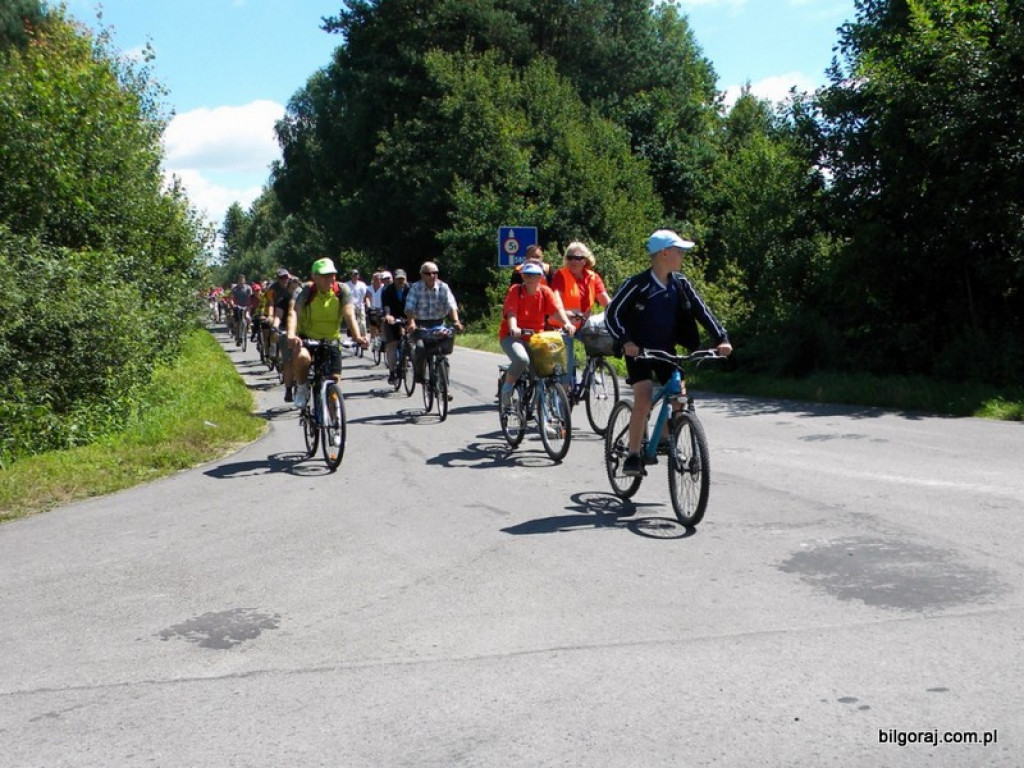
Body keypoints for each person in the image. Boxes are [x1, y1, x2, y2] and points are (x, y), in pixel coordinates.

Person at [605, 229, 733, 477]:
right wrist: (626, 341)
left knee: (679, 397)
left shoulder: (680, 283)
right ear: (664, 253)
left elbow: (702, 312)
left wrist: (722, 338)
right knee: (643, 398)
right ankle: (633, 455)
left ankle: (664, 439)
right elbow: (612, 314)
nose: (682, 254)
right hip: (639, 351)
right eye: (679, 250)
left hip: (666, 351)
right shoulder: (638, 284)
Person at [287, 258, 368, 410]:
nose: (329, 279)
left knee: (334, 381)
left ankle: (332, 419)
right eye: (324, 276)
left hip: (331, 340)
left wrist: (357, 336)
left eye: (332, 275)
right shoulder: (305, 290)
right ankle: (302, 388)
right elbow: (293, 312)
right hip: (307, 338)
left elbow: (349, 314)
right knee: (302, 357)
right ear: (314, 277)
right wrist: (291, 334)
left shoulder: (342, 290)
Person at [498, 262, 576, 406]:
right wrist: (514, 327)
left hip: (535, 337)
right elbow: (511, 312)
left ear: (540, 277)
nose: (530, 278)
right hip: (512, 336)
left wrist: (566, 323)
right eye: (527, 275)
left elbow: (556, 310)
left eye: (534, 275)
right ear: (522, 276)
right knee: (522, 359)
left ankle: (540, 411)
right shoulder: (516, 290)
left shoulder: (545, 292)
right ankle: (506, 389)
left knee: (545, 370)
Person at [405, 261, 463, 386]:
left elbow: (451, 305)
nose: (432, 275)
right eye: (428, 273)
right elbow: (409, 307)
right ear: (422, 275)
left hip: (438, 323)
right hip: (420, 324)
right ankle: (419, 374)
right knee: (420, 348)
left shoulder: (443, 287)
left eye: (435, 273)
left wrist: (456, 321)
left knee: (443, 354)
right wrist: (411, 322)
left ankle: (444, 387)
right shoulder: (416, 288)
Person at [380, 269, 411, 383]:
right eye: (398, 279)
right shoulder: (388, 289)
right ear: (394, 279)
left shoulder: (411, 288)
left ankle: (409, 358)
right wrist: (388, 315)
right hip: (392, 318)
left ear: (406, 279)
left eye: (402, 279)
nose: (400, 281)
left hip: (408, 317)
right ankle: (392, 372)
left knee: (412, 341)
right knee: (392, 345)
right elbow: (386, 304)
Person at [344, 269, 369, 342]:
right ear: (351, 276)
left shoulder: (362, 284)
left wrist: (366, 304)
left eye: (356, 274)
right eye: (353, 275)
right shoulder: (346, 284)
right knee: (351, 321)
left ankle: (364, 337)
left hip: (360, 305)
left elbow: (365, 295)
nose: (355, 276)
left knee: (363, 322)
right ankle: (353, 335)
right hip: (350, 305)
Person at [229, 274, 252, 346]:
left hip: (246, 306)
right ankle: (238, 336)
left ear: (245, 280)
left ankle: (248, 327)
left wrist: (250, 304)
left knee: (247, 317)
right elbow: (231, 298)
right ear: (238, 280)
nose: (241, 281)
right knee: (237, 323)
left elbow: (251, 297)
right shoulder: (234, 289)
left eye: (242, 279)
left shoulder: (248, 288)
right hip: (237, 307)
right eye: (240, 280)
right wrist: (233, 304)